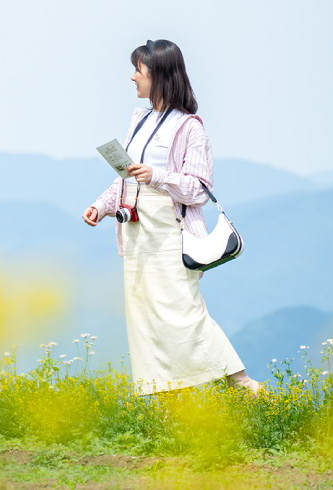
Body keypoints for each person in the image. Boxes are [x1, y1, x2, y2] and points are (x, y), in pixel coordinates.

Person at [81, 39, 260, 396]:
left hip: (169, 235)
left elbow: (198, 189)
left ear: (159, 75)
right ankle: (164, 399)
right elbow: (126, 178)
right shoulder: (140, 120)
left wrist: (158, 176)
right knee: (145, 317)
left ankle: (243, 385)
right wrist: (101, 206)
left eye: (138, 70)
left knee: (184, 314)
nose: (132, 78)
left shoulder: (189, 127)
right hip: (136, 232)